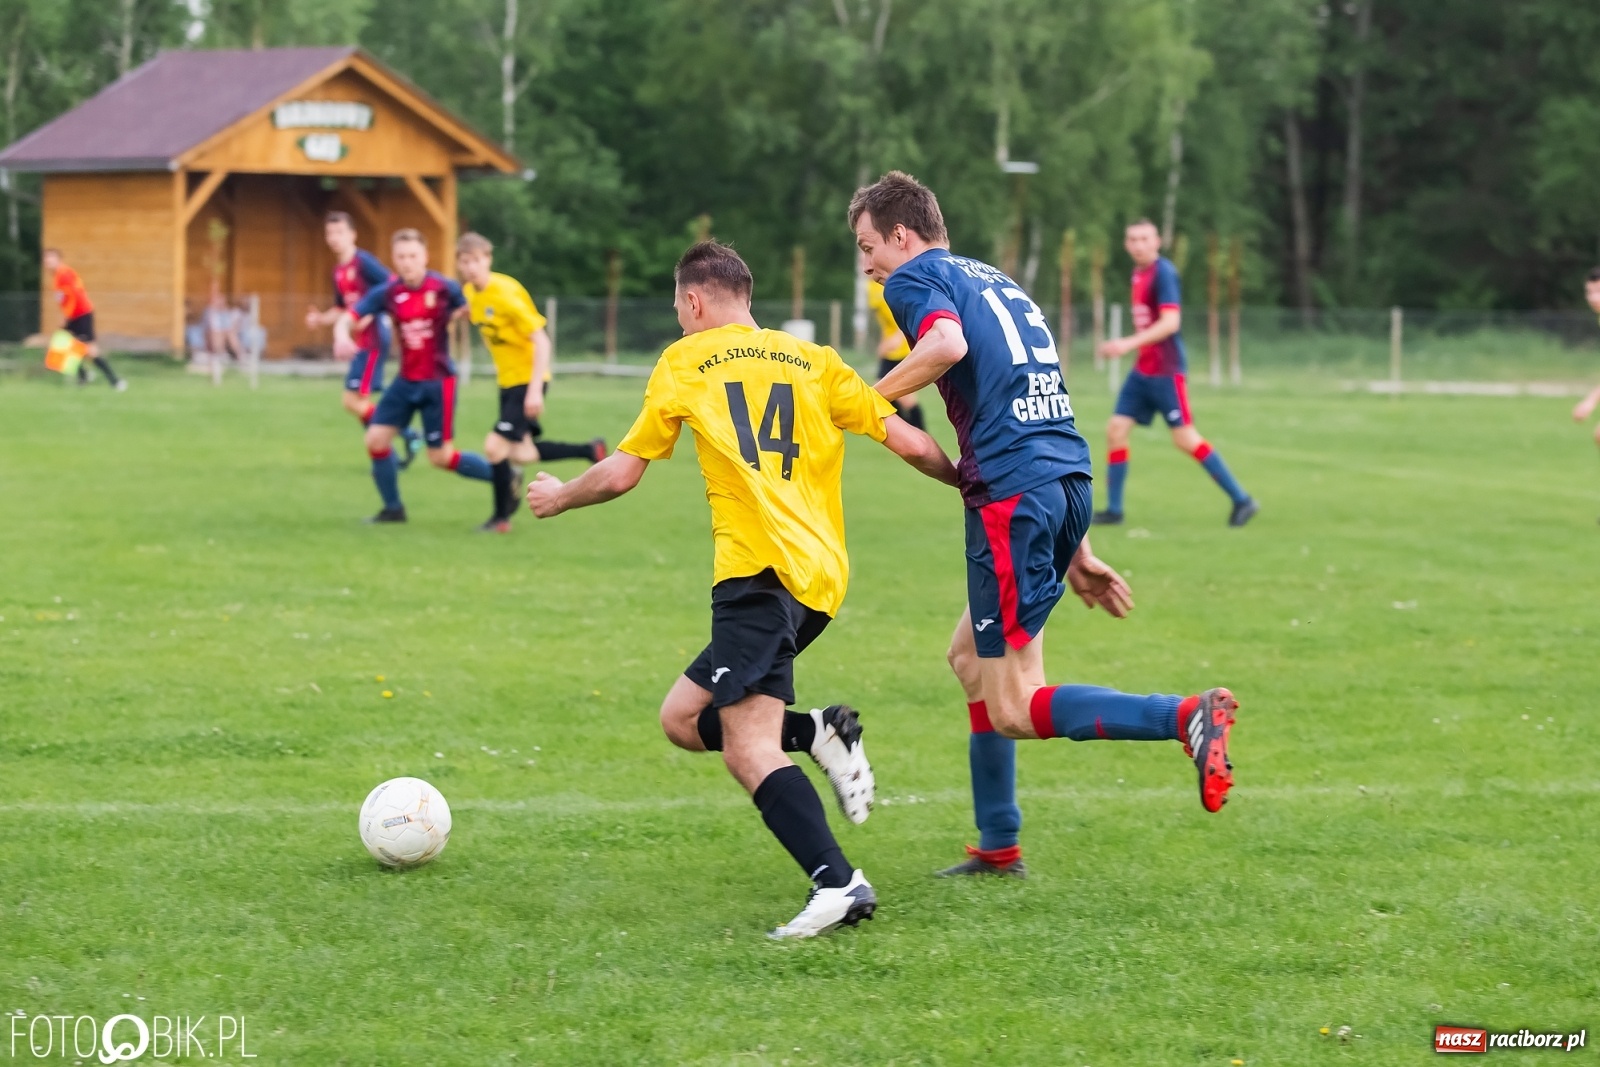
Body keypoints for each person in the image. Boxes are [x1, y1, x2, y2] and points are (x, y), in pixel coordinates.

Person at [525, 240, 961, 937]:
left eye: (677, 306)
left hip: (756, 575)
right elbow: (909, 442)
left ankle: (838, 882)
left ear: (694, 300)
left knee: (744, 746)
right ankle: (818, 731)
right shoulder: (814, 360)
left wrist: (558, 494)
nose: (677, 318)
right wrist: (972, 482)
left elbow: (620, 473)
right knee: (681, 717)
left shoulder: (683, 361)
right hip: (820, 579)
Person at [852, 171, 1239, 879]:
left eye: (869, 245)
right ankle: (999, 843)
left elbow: (944, 350)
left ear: (902, 236)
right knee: (969, 658)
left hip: (1014, 497)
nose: (867, 263)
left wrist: (857, 400)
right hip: (1064, 480)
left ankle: (1184, 715)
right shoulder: (994, 279)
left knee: (1013, 704)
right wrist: (1077, 548)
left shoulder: (914, 281)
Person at [1092, 219, 1257, 527]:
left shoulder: (1163, 273)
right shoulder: (1138, 274)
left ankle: (1242, 500)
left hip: (1166, 372)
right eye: (1132, 239)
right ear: (1127, 245)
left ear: (1157, 242)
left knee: (1184, 438)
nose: (1138, 244)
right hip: (1143, 370)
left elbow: (1171, 323)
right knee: (1116, 430)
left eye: (1144, 238)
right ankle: (1114, 511)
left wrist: (1126, 343)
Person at [337, 229, 495, 524]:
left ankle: (502, 476)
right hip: (406, 380)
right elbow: (350, 316)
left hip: (438, 381)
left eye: (412, 256)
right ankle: (393, 509)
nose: (407, 262)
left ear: (425, 257)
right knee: (376, 439)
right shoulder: (389, 291)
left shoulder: (444, 287)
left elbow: (474, 305)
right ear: (394, 260)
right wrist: (340, 335)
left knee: (440, 457)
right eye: (401, 257)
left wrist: (472, 314)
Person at [455, 232, 607, 532]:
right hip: (508, 382)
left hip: (528, 381)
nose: (471, 267)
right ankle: (589, 450)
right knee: (521, 453)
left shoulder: (506, 294)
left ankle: (501, 519)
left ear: (488, 259)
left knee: (494, 447)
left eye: (477, 260)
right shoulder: (472, 294)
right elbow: (477, 313)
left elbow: (542, 340)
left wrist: (536, 390)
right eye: (465, 261)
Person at [305, 212, 419, 464]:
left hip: (374, 338)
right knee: (360, 402)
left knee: (351, 400)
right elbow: (341, 308)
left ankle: (406, 433)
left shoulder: (363, 262)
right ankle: (385, 454)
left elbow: (393, 285)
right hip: (359, 341)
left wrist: (373, 311)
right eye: (330, 233)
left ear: (352, 235)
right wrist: (321, 319)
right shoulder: (338, 271)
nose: (334, 238)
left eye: (340, 232)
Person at [42, 249, 124, 391]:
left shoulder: (65, 274)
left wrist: (66, 316)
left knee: (90, 351)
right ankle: (84, 375)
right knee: (66, 345)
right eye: (45, 259)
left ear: (58, 259)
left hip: (81, 315)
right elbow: (63, 299)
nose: (47, 261)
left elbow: (74, 296)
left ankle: (115, 381)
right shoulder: (57, 277)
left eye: (51, 258)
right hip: (73, 316)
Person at [868, 278, 925, 429]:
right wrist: (884, 341)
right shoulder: (871, 288)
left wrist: (898, 336)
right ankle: (908, 435)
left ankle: (919, 435)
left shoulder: (892, 283)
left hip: (903, 348)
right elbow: (885, 322)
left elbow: (909, 313)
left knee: (902, 397)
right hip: (890, 351)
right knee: (881, 394)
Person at [201, 282, 245, 387]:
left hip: (223, 333)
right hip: (210, 334)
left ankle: (240, 357)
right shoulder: (209, 311)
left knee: (230, 334)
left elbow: (228, 326)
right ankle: (219, 354)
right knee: (218, 333)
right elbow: (209, 326)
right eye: (218, 300)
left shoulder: (225, 313)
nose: (220, 302)